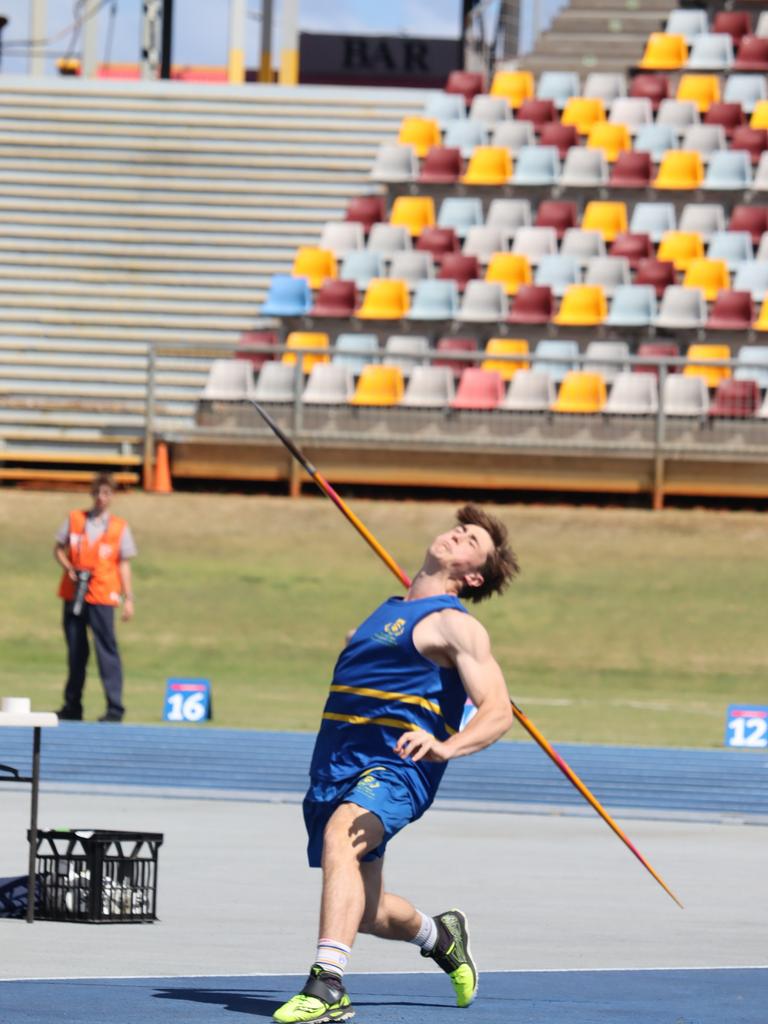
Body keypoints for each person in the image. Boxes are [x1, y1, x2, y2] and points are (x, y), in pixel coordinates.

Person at [274, 504, 519, 1024]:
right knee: (362, 908)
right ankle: (440, 936)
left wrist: (447, 746)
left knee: (343, 836)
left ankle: (328, 986)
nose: (459, 534)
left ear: (472, 575)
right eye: (460, 528)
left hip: (397, 767)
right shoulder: (382, 612)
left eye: (472, 540)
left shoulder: (455, 626)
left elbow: (498, 711)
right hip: (335, 765)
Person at [54, 473, 137, 722]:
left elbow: (123, 564)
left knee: (106, 650)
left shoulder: (119, 527)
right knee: (76, 651)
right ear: (92, 494)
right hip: (74, 593)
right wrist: (68, 566)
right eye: (98, 492)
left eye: (106, 493)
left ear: (112, 496)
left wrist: (128, 597)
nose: (101, 498)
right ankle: (72, 705)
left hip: (103, 595)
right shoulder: (75, 519)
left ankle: (115, 707)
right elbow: (58, 548)